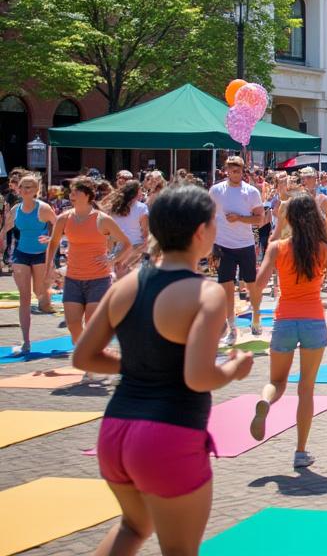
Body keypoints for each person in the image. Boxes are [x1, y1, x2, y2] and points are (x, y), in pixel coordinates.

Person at [72, 184, 254, 555]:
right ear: (201, 232)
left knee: (132, 526)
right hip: (168, 434)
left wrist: (140, 365)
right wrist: (234, 369)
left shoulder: (125, 286)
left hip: (115, 431)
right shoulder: (206, 293)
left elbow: (84, 357)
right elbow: (198, 377)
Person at [248, 194, 327, 468]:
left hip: (285, 320)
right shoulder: (323, 249)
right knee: (306, 389)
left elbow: (259, 282)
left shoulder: (277, 247)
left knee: (277, 382)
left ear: (288, 218)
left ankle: (266, 401)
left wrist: (276, 232)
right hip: (313, 319)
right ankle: (300, 452)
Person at [46, 176, 131, 354]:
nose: (72, 194)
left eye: (77, 191)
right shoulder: (64, 218)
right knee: (73, 325)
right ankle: (93, 353)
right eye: (72, 191)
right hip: (73, 279)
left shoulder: (102, 219)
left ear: (88, 195)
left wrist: (112, 258)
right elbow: (53, 243)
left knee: (91, 323)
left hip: (98, 280)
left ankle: (92, 357)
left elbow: (125, 243)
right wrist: (49, 269)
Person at [209, 157, 266, 344]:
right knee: (226, 287)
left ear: (243, 171)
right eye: (232, 171)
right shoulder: (216, 190)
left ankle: (256, 316)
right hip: (223, 244)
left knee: (252, 285)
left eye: (238, 171)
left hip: (245, 244)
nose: (235, 174)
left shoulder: (250, 192)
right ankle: (231, 327)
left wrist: (240, 218)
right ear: (226, 171)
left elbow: (259, 218)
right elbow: (209, 216)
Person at [0, 175, 56, 352]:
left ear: (36, 190)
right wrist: (1, 237)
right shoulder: (16, 210)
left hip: (40, 255)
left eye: (30, 187)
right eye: (23, 186)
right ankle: (26, 341)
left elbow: (61, 225)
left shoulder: (44, 209)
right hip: (21, 255)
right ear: (18, 189)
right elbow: (5, 228)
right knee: (24, 297)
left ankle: (47, 293)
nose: (25, 190)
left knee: (39, 293)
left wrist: (51, 237)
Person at [104, 180, 150, 277]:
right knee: (133, 280)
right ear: (137, 192)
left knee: (118, 278)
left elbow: (109, 233)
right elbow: (145, 232)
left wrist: (112, 252)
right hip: (135, 247)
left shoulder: (114, 207)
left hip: (118, 248)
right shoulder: (142, 208)